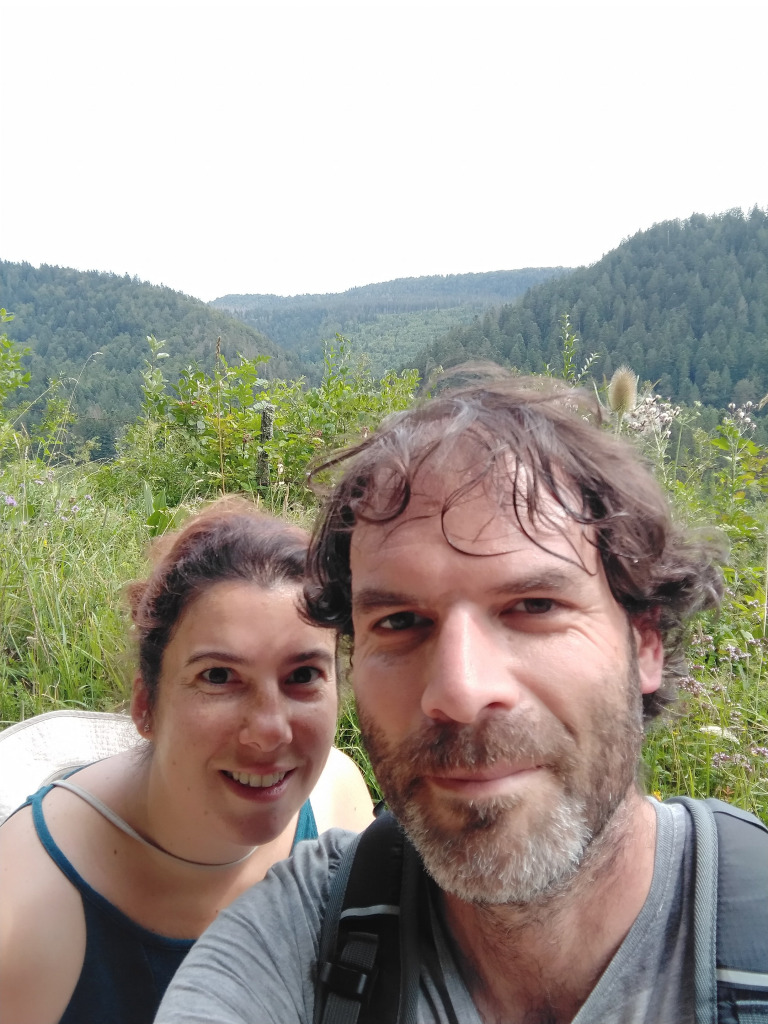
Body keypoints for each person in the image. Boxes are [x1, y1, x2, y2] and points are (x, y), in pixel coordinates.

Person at [155, 373, 768, 1024]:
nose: (460, 692)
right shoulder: (293, 940)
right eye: (400, 622)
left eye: (534, 606)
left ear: (644, 642)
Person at [0, 497, 373, 1024]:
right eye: (218, 676)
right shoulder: (24, 914)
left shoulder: (337, 798)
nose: (270, 731)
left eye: (303, 675)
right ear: (145, 705)